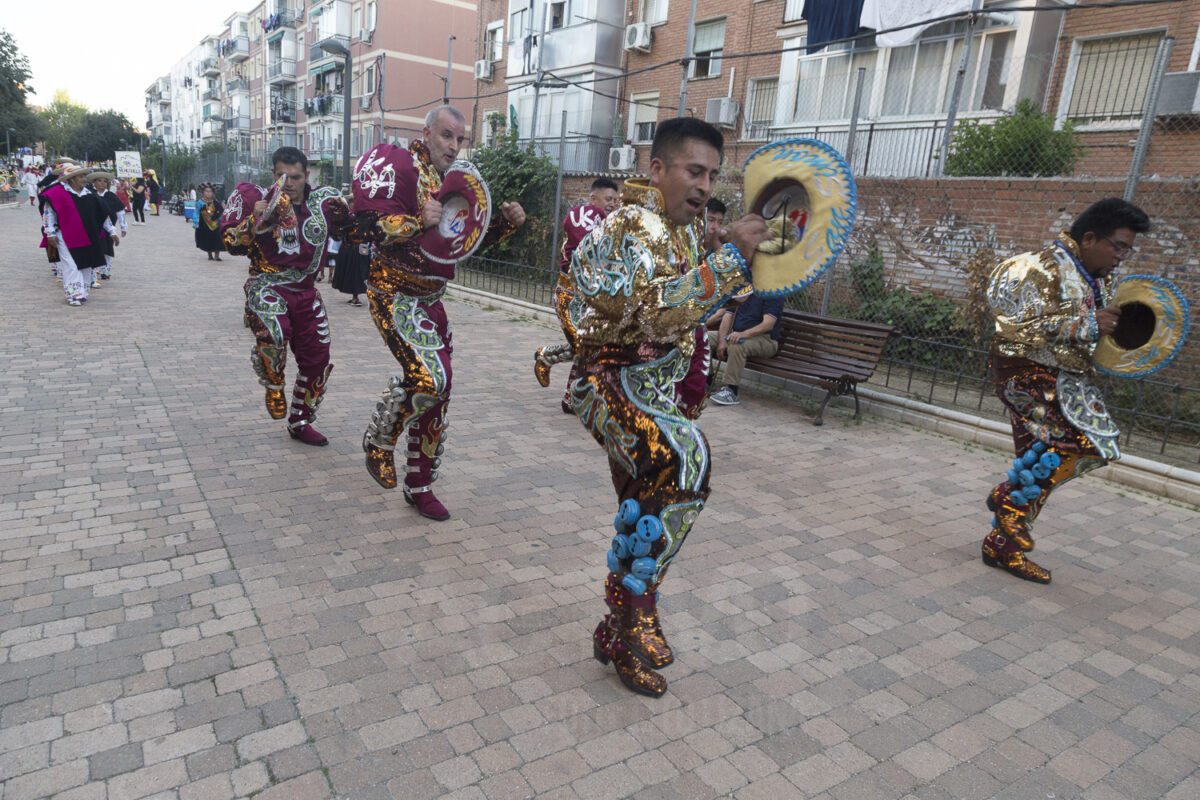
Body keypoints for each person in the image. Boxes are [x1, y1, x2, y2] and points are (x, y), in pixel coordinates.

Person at [570, 117, 770, 696]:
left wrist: (713, 255)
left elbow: (683, 304)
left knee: (643, 513)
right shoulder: (635, 222)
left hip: (652, 388)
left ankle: (618, 634)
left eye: (713, 173)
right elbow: (651, 314)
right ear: (656, 170)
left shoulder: (676, 228)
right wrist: (727, 261)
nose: (706, 185)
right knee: (686, 461)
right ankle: (637, 614)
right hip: (611, 380)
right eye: (694, 170)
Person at [353, 105, 525, 521]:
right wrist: (414, 220)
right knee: (433, 378)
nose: (454, 145)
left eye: (460, 139)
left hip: (431, 298)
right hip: (393, 291)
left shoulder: (451, 182)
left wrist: (503, 225)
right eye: (447, 135)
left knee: (439, 393)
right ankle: (380, 439)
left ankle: (420, 484)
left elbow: (459, 242)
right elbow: (364, 227)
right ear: (426, 132)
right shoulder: (398, 165)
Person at [981, 198, 1150, 584]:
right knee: (1084, 444)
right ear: (1090, 238)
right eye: (1118, 246)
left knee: (1038, 462)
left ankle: (1000, 542)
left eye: (1128, 249)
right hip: (1024, 375)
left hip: (1066, 378)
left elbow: (1098, 326)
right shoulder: (1038, 267)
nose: (1123, 256)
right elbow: (1015, 327)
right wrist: (1088, 323)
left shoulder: (1100, 275)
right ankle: (1007, 500)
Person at [220, 146, 353, 446]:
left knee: (318, 359)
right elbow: (229, 241)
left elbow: (353, 230)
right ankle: (273, 383)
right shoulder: (256, 199)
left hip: (306, 292)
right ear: (274, 174)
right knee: (275, 333)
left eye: (295, 176)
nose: (289, 182)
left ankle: (300, 419)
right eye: (283, 175)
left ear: (307, 175)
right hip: (267, 284)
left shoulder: (324, 203)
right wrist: (252, 223)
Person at [534, 177, 621, 412]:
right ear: (593, 198)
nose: (613, 204)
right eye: (609, 199)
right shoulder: (584, 213)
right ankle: (550, 361)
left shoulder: (608, 223)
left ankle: (572, 396)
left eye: (616, 200)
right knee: (587, 346)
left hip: (591, 299)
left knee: (593, 348)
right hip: (570, 296)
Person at [41, 165, 119, 305]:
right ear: (71, 179)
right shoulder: (58, 193)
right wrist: (50, 232)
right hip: (65, 236)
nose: (84, 179)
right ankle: (73, 295)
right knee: (71, 264)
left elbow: (103, 215)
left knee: (86, 264)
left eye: (84, 176)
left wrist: (112, 231)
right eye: (81, 176)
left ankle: (82, 292)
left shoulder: (90, 195)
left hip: (88, 235)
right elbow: (49, 214)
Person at [707, 288, 785, 406]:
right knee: (704, 338)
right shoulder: (743, 289)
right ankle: (706, 380)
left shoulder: (773, 291)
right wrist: (722, 341)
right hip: (737, 334)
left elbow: (768, 324)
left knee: (737, 344)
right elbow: (728, 316)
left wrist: (742, 334)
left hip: (765, 339)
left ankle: (731, 390)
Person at [89, 172, 127, 282]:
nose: (102, 183)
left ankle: (105, 270)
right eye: (99, 181)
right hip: (94, 227)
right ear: (94, 183)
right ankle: (94, 272)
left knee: (108, 248)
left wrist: (123, 227)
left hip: (108, 228)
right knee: (96, 248)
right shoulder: (90, 194)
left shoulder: (111, 196)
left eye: (104, 181)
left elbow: (120, 212)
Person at [193, 183, 224, 261]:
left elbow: (221, 212)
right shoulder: (200, 202)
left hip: (216, 224)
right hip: (204, 225)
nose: (208, 193)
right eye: (206, 191)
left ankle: (217, 256)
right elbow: (196, 212)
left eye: (210, 191)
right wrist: (195, 222)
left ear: (213, 193)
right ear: (203, 192)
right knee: (207, 239)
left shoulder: (216, 202)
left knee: (217, 239)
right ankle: (210, 255)